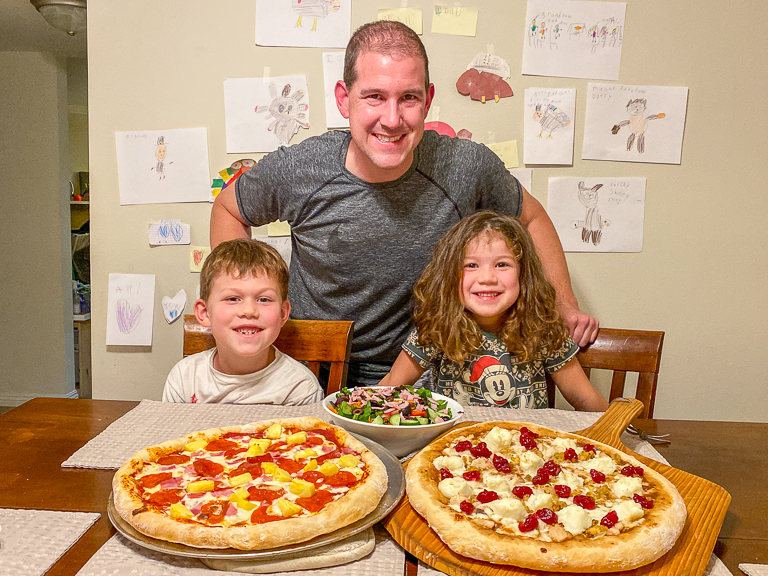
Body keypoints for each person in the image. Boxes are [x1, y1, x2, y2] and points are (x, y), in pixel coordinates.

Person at [210, 20, 598, 387]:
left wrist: (564, 304)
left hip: (422, 368)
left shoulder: (465, 166)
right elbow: (228, 209)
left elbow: (531, 218)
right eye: (374, 97)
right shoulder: (301, 167)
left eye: (408, 98)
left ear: (427, 101)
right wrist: (240, 301)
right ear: (344, 99)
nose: (392, 119)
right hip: (308, 365)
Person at [379, 212, 608, 412]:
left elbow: (586, 400)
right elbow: (390, 387)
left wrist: (617, 428)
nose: (487, 278)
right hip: (453, 443)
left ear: (524, 275)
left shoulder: (543, 328)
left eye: (502, 265)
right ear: (449, 276)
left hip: (524, 444)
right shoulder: (437, 328)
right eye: (471, 265)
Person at [162, 239, 323, 405]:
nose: (249, 311)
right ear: (205, 313)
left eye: (264, 299)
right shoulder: (184, 378)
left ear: (283, 313)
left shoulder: (300, 388)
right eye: (232, 298)